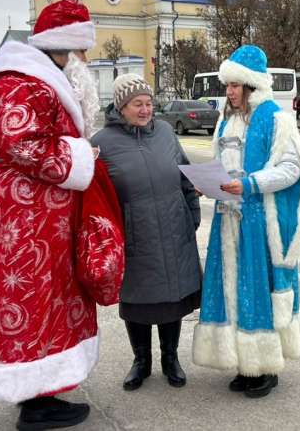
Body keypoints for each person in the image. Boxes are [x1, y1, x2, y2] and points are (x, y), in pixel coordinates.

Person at [0, 0, 124, 431]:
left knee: (49, 297)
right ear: (62, 47)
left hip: (40, 213)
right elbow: (17, 143)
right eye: (79, 51)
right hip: (27, 217)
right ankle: (35, 402)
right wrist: (80, 157)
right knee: (31, 296)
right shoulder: (26, 81)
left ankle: (42, 390)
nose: (82, 60)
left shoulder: (37, 78)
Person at [192, 45, 300, 399]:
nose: (228, 91)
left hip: (259, 224)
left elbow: (292, 169)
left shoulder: (277, 118)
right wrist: (210, 183)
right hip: (229, 220)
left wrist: (249, 184)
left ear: (252, 85)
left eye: (235, 85)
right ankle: (245, 364)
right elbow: (224, 163)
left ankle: (266, 366)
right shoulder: (227, 120)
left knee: (257, 291)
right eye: (227, 84)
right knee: (232, 292)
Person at [92, 73, 203, 391]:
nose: (145, 109)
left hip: (174, 227)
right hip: (134, 234)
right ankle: (141, 361)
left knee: (173, 298)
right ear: (121, 107)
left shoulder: (167, 132)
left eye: (148, 103)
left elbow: (185, 173)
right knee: (138, 301)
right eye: (137, 104)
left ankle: (171, 359)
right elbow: (95, 195)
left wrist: (191, 216)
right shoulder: (102, 143)